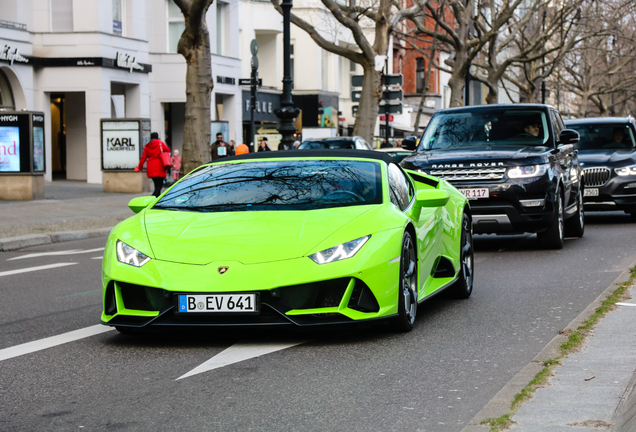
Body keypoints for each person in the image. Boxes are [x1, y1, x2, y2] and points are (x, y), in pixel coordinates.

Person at [134, 132, 170, 198]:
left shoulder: (147, 146)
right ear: (157, 137)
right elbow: (168, 150)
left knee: (156, 184)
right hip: (160, 166)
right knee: (159, 185)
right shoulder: (160, 143)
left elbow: (143, 158)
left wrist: (139, 167)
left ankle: (157, 200)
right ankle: (153, 197)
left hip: (151, 167)